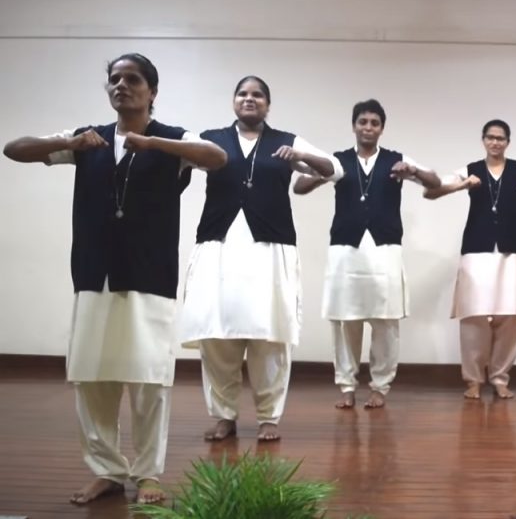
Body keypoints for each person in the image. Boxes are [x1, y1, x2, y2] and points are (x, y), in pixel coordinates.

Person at [2, 53, 226, 505]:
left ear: (152, 91)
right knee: (92, 378)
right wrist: (68, 142)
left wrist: (155, 144)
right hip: (94, 274)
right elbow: (14, 148)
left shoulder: (172, 138)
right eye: (115, 79)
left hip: (149, 275)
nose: (121, 85)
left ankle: (148, 474)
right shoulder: (90, 138)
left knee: (149, 380)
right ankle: (106, 470)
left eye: (133, 79)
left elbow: (216, 157)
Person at [177, 76, 337, 443]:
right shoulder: (210, 140)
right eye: (243, 94)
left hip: (270, 251)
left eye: (258, 95)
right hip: (218, 249)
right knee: (216, 336)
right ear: (234, 100)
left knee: (271, 336)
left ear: (268, 104)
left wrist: (301, 156)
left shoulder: (287, 141)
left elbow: (332, 168)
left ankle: (269, 417)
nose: (250, 99)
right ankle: (224, 415)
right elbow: (176, 164)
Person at [295, 98, 441, 409]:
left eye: (375, 123)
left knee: (385, 322)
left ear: (382, 129)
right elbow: (299, 186)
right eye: (363, 122)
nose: (368, 127)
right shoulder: (337, 160)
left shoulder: (396, 160)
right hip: (345, 250)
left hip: (384, 249)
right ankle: (346, 385)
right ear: (354, 126)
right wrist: (323, 173)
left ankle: (380, 386)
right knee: (344, 321)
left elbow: (434, 182)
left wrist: (412, 170)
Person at [424, 119, 516, 399]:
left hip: (512, 249)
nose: (495, 142)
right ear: (483, 140)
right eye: (490, 137)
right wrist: (461, 185)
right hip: (476, 249)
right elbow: (430, 191)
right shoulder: (470, 170)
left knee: (510, 315)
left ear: (508, 142)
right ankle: (473, 380)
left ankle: (501, 377)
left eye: (500, 138)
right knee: (474, 315)